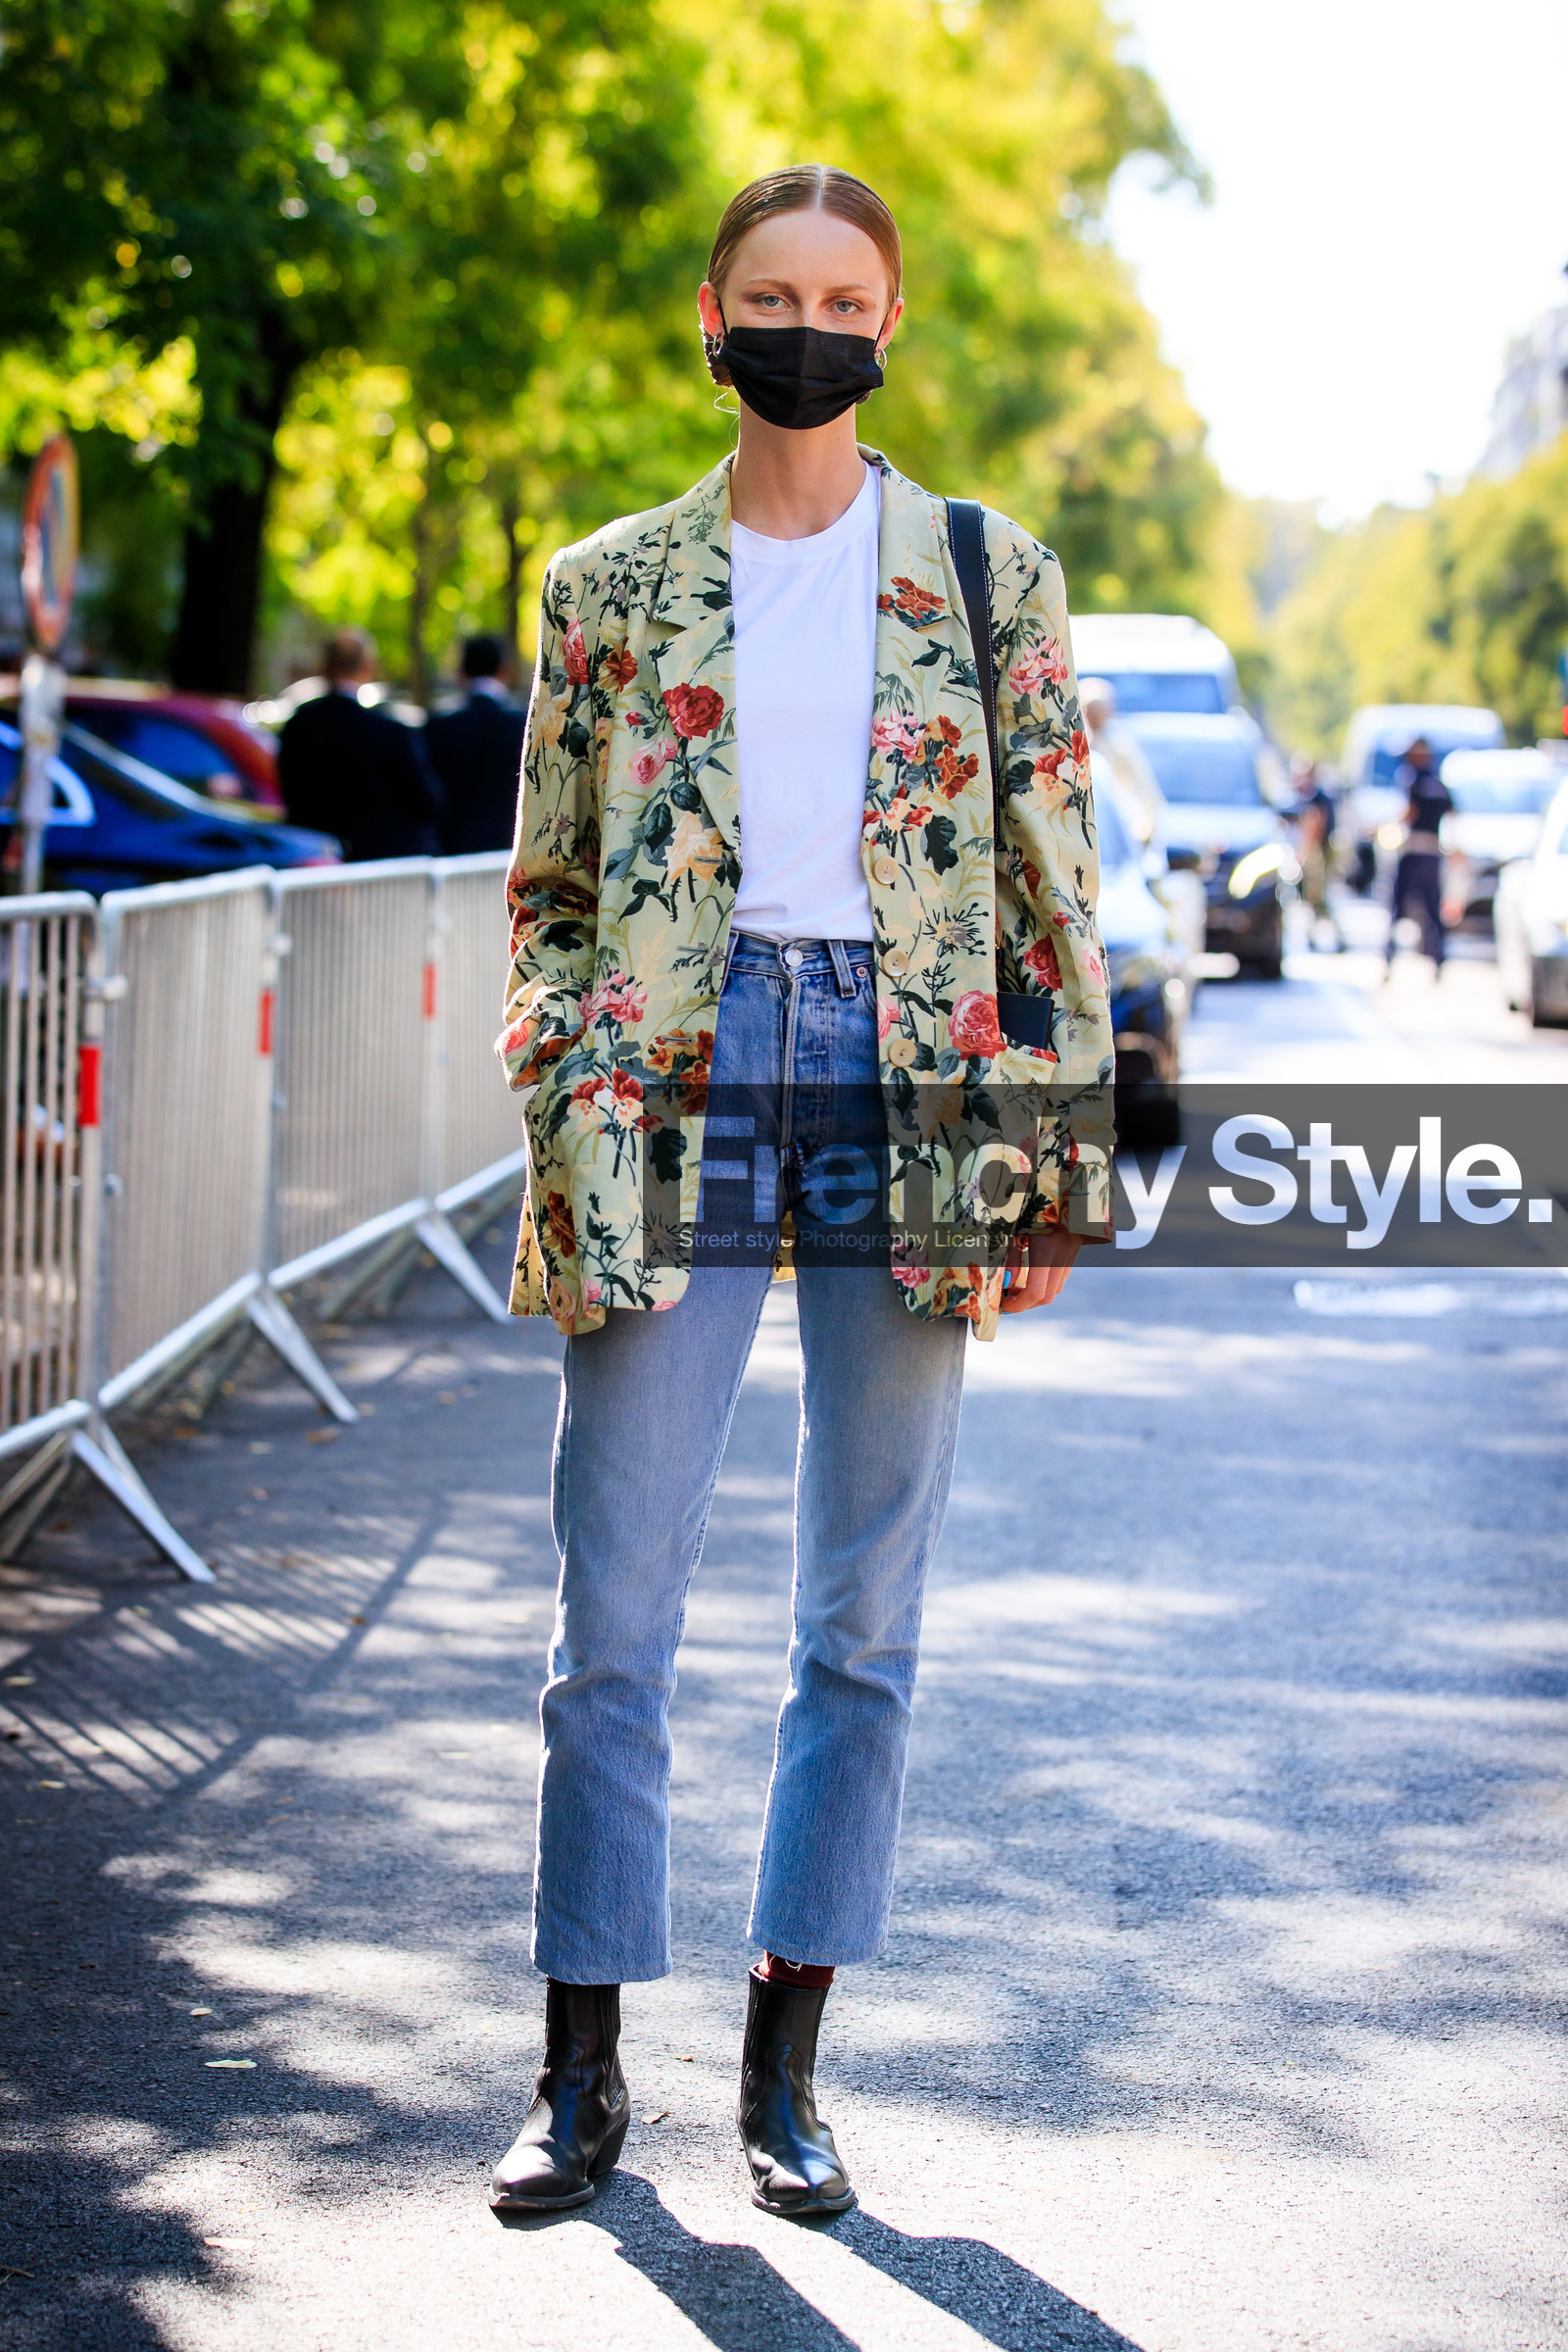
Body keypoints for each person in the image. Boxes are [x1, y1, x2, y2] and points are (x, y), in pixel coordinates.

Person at [488, 166, 1113, 2223]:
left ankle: (784, 2067)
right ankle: (581, 2068)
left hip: (905, 1080)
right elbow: (548, 886)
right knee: (614, 1604)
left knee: (862, 1612)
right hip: (669, 1072)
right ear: (711, 315)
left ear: (890, 325)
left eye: (845, 299)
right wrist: (564, 1082)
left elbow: (1053, 882)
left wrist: (1051, 1155)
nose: (808, 328)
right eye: (774, 294)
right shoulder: (607, 582)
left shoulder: (989, 573)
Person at [277, 627, 443, 860]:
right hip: (375, 861)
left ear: (325, 667)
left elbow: (288, 789)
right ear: (368, 666)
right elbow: (427, 802)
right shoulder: (390, 731)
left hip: (311, 858)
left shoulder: (298, 725)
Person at [424, 632, 528, 854]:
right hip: (510, 849)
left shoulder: (438, 726)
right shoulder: (523, 725)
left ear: (461, 671)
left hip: (453, 850)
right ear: (505, 669)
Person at [1385, 735, 1451, 973]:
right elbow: (1452, 816)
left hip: (1413, 853)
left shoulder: (1414, 781)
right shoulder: (1440, 783)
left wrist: (1383, 826)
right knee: (1432, 911)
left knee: (1398, 907)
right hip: (1433, 855)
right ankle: (1439, 960)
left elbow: (1409, 813)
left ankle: (1389, 958)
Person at [1080, 675, 1164, 845]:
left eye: (1099, 710)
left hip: (1119, 830)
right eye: (1090, 710)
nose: (1094, 716)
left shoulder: (1120, 747)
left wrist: (1146, 828)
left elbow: (1146, 792)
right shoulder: (1076, 747)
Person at [1289, 754, 1339, 951]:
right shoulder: (1314, 795)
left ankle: (1322, 936)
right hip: (1318, 851)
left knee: (1315, 896)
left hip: (1317, 853)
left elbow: (1315, 825)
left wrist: (1304, 853)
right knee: (1315, 899)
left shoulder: (1315, 797)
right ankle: (1314, 935)